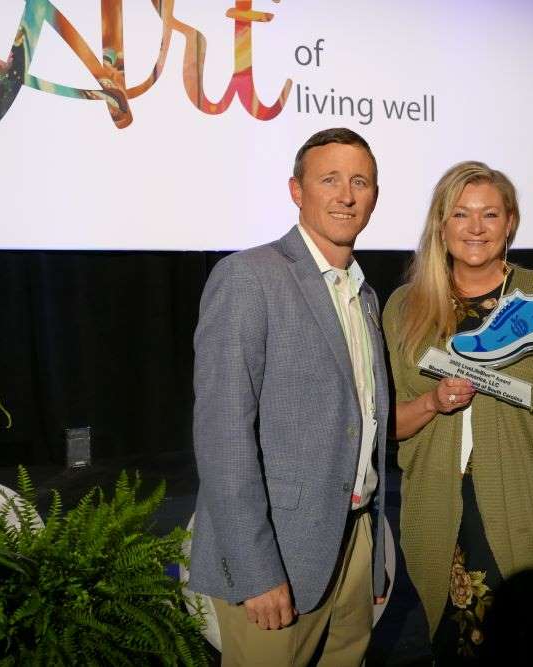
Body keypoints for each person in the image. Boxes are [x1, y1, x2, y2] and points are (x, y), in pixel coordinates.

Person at [382, 161, 533, 663]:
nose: (476, 228)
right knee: (450, 644)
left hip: (524, 501)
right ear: (440, 225)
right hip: (438, 502)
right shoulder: (405, 307)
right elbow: (387, 425)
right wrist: (433, 401)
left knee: (519, 646)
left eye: (490, 214)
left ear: (510, 222)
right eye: (461, 214)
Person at [189, 128, 388, 666]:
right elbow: (223, 438)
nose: (346, 194)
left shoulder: (364, 295)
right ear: (297, 191)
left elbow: (360, 425)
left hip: (353, 545)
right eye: (329, 180)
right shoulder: (248, 277)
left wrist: (372, 557)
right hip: (278, 558)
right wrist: (257, 572)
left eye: (360, 181)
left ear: (374, 196)